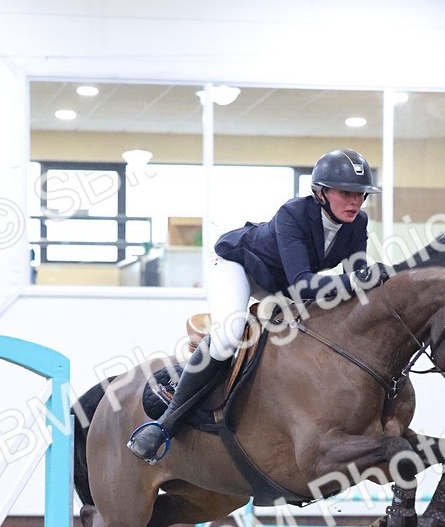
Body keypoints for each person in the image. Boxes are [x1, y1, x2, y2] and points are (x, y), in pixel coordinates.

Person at [127, 148, 384, 463]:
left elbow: (354, 284)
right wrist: (363, 280)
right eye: (346, 193)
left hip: (280, 285)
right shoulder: (294, 213)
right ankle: (164, 424)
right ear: (320, 193)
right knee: (228, 337)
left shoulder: (358, 224)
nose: (355, 201)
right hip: (236, 266)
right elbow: (305, 284)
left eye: (361, 194)